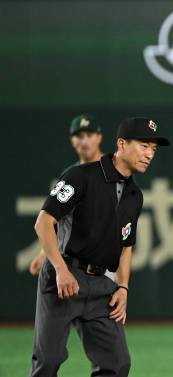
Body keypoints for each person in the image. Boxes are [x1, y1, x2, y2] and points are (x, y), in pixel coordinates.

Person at [24, 117, 169, 377]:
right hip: (63, 279)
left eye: (153, 148)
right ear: (121, 144)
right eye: (143, 146)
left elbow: (126, 246)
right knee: (49, 360)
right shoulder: (80, 176)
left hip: (100, 285)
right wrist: (61, 269)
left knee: (117, 362)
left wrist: (123, 287)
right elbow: (44, 223)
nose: (149, 154)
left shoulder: (134, 195)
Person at [29, 114, 104, 276]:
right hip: (75, 265)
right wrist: (44, 253)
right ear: (72, 140)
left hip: (106, 262)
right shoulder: (70, 175)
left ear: (99, 138)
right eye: (79, 136)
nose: (84, 141)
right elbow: (56, 222)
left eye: (89, 135)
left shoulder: (115, 170)